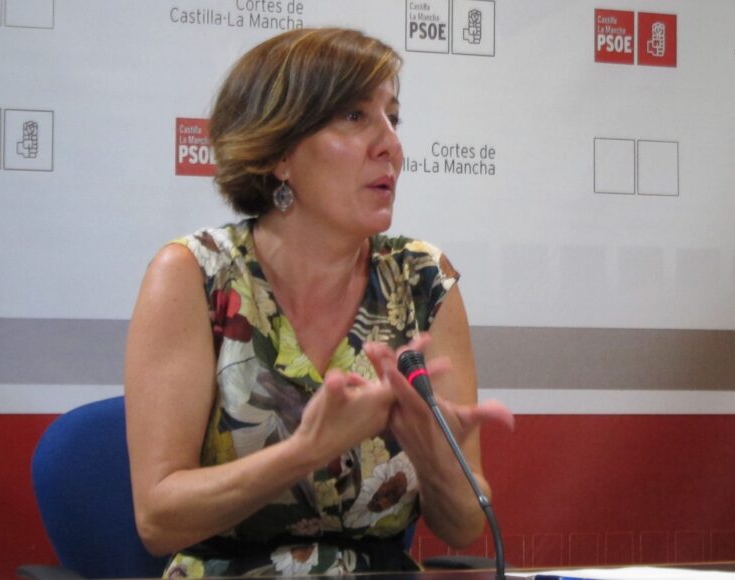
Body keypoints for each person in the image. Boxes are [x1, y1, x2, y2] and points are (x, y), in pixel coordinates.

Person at [124, 27, 513, 577]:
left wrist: (431, 452)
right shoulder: (195, 275)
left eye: (393, 119)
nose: (391, 146)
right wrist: (305, 451)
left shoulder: (423, 279)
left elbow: (463, 525)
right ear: (279, 151)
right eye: (355, 116)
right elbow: (158, 518)